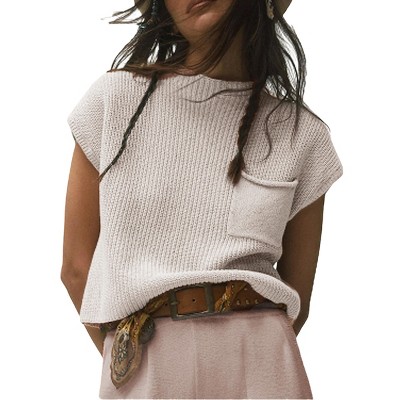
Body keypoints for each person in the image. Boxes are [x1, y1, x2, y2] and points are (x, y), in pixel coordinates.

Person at [61, 0, 343, 398]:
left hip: (262, 362)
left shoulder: (302, 135)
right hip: (149, 361)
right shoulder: (114, 102)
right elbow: (76, 269)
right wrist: (138, 360)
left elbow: (298, 294)